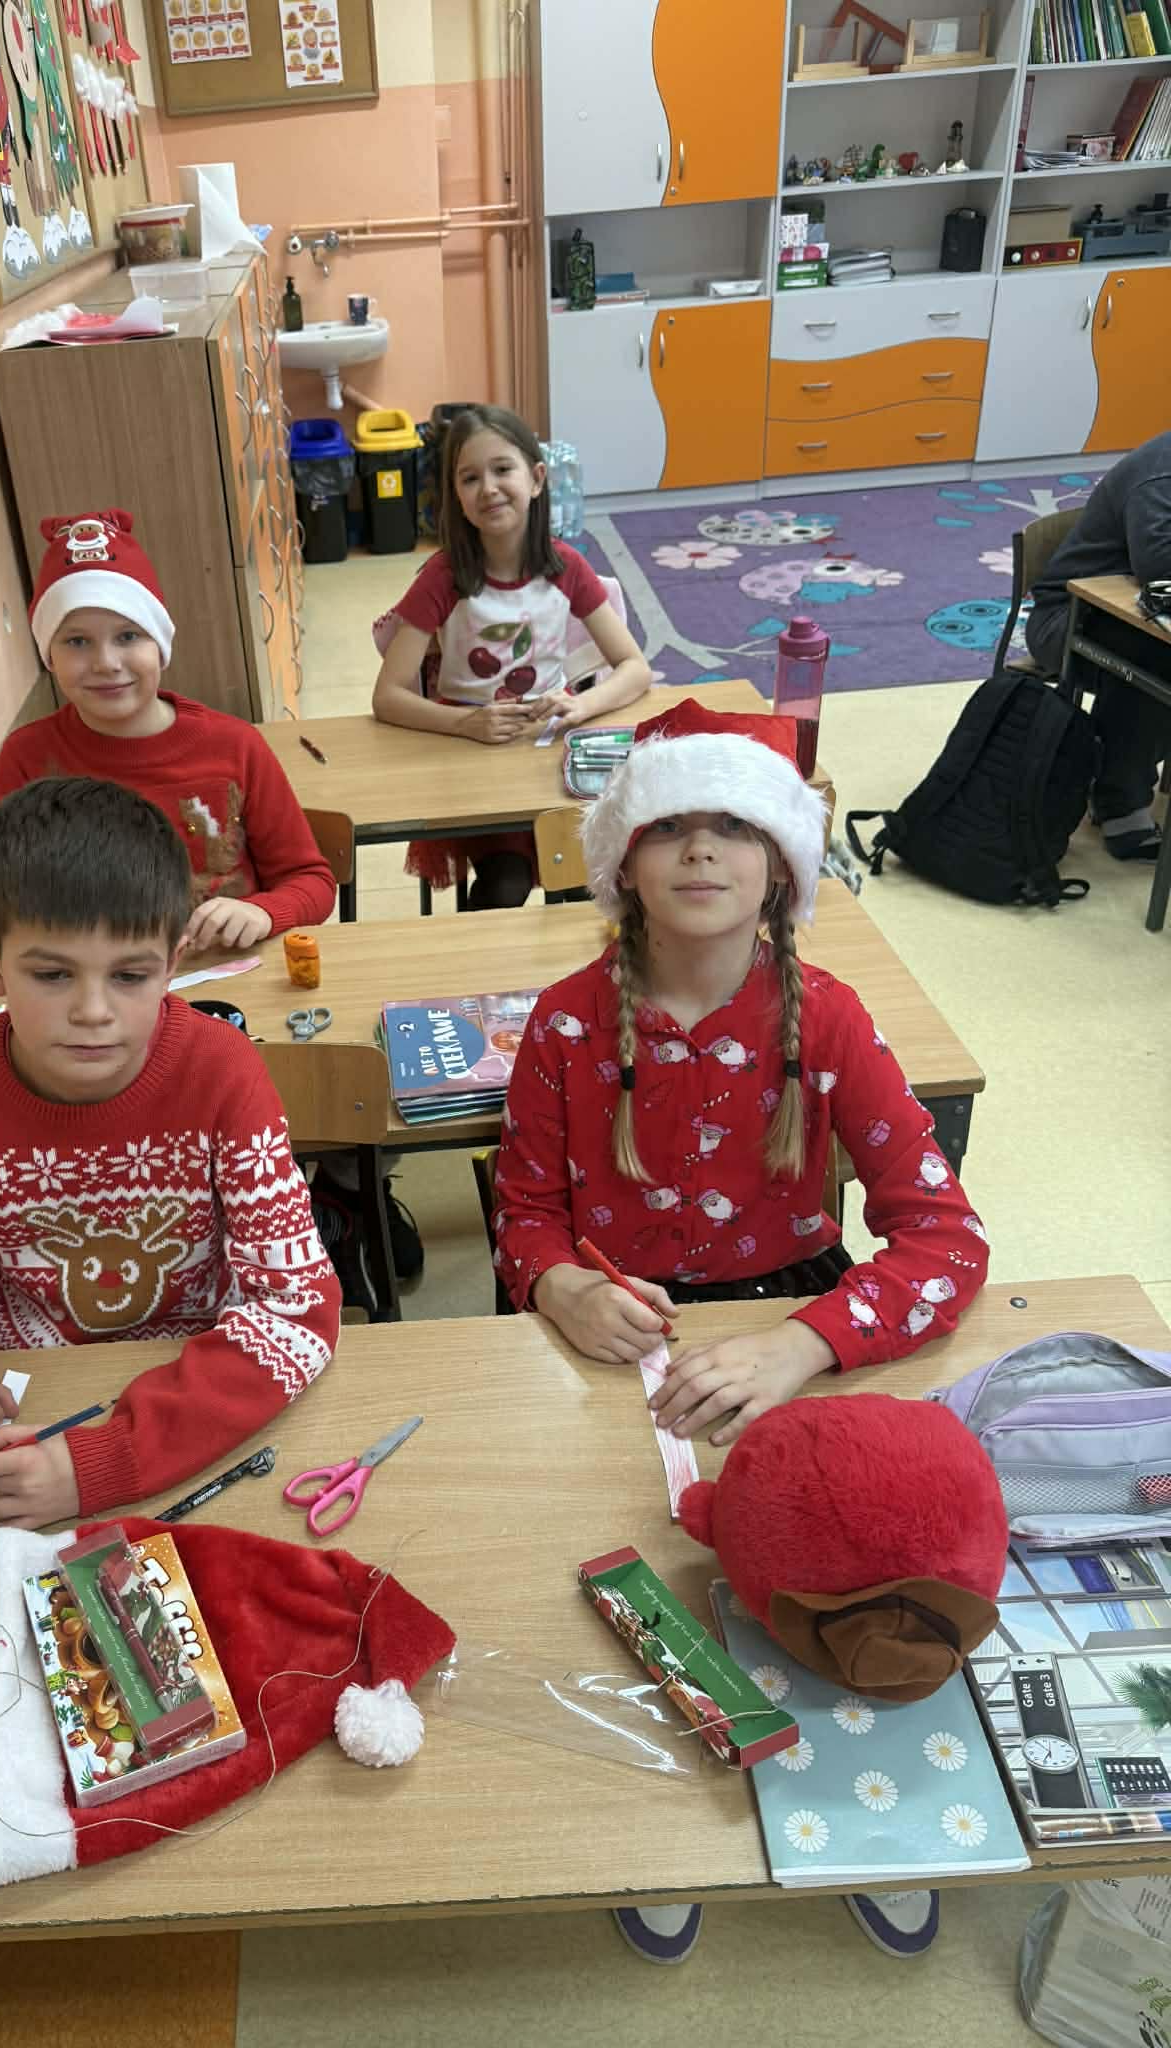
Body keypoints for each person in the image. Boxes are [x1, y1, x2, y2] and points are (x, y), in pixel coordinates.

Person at [493, 698, 990, 1964]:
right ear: (625, 864)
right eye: (670, 827)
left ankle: (867, 1800)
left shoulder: (830, 1018)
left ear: (781, 866)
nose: (702, 848)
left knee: (827, 1562)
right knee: (602, 1581)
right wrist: (555, 1284)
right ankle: (662, 1824)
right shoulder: (565, 1020)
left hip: (791, 1321)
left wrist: (805, 1343)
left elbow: (948, 1239)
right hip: (610, 1337)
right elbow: (524, 1216)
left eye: (733, 826)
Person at [0, 777, 340, 1530]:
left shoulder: (223, 1073)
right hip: (22, 1393)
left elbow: (296, 1310)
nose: (92, 1011)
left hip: (200, 1379)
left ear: (174, 961)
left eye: (130, 976)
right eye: (52, 975)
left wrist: (106, 1461)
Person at [0, 510, 336, 952]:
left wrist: (264, 912)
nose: (106, 663)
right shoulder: (28, 757)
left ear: (161, 645)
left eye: (129, 636)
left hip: (227, 972)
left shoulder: (236, 746)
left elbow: (311, 881)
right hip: (96, 984)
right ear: (49, 657)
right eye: (77, 641)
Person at [370, 404, 650, 910]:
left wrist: (581, 705)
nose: (489, 488)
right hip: (470, 757)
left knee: (587, 884)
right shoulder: (443, 577)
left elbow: (635, 668)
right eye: (470, 478)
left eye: (503, 469)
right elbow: (387, 697)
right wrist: (466, 724)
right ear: (456, 495)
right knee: (504, 884)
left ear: (537, 479)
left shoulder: (566, 567)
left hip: (548, 753)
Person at [1027, 432, 1171, 862]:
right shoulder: (1160, 474)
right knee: (1154, 658)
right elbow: (1159, 565)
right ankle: (1119, 803)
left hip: (1132, 618)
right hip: (1069, 619)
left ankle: (1120, 778)